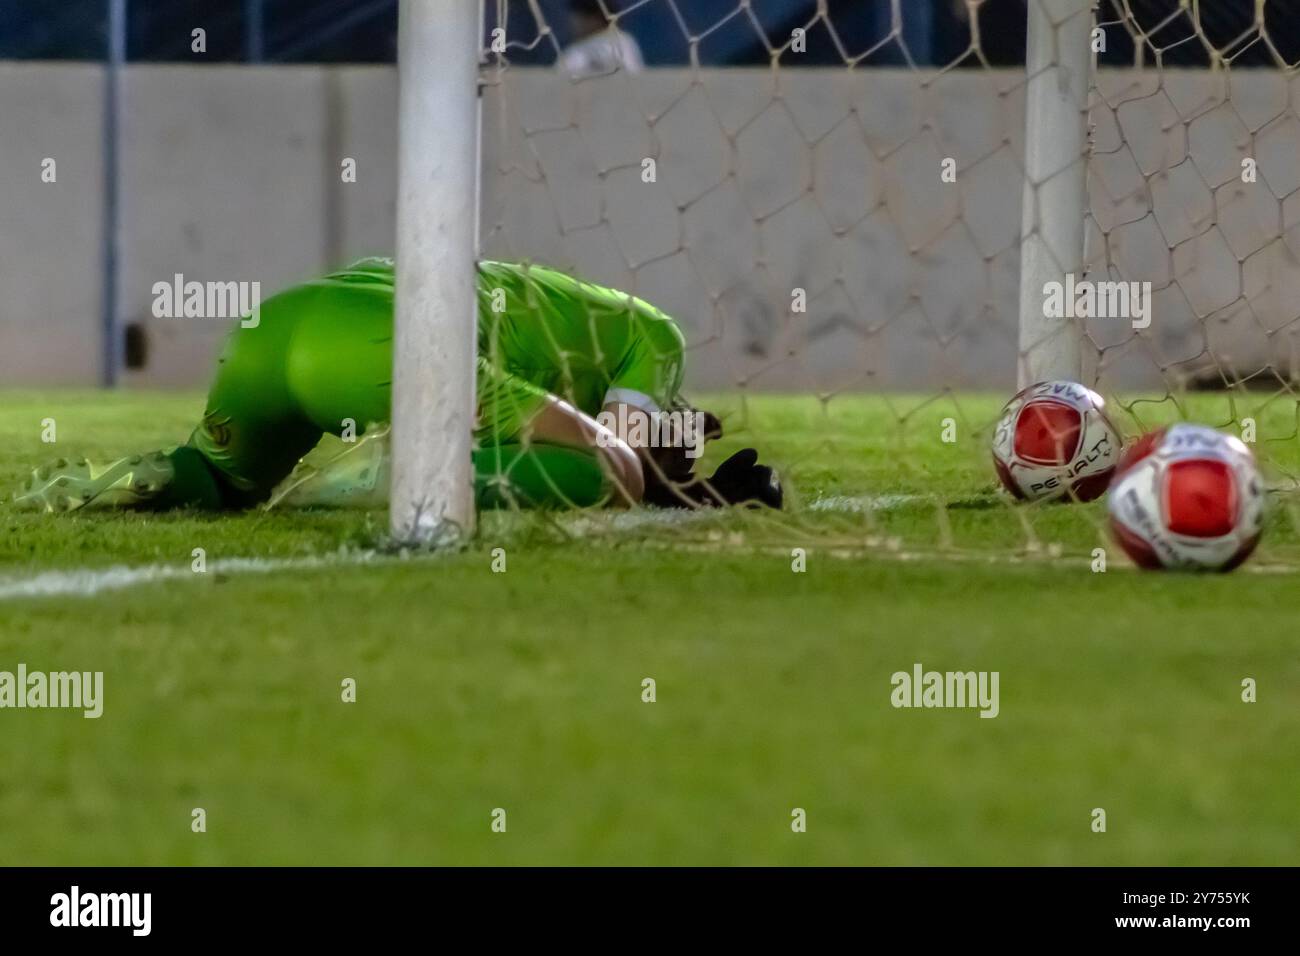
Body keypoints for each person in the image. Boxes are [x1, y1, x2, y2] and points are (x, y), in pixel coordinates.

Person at [15, 258, 782, 514]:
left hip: (272, 331)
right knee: (608, 473)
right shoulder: (657, 337)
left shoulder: (551, 310)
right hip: (397, 344)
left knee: (224, 481)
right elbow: (624, 455)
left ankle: (133, 477)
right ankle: (362, 478)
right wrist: (682, 493)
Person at [561, 0, 644, 77]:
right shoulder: (626, 40)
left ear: (596, 18)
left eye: (580, 16)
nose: (574, 22)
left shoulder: (579, 50)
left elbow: (563, 76)